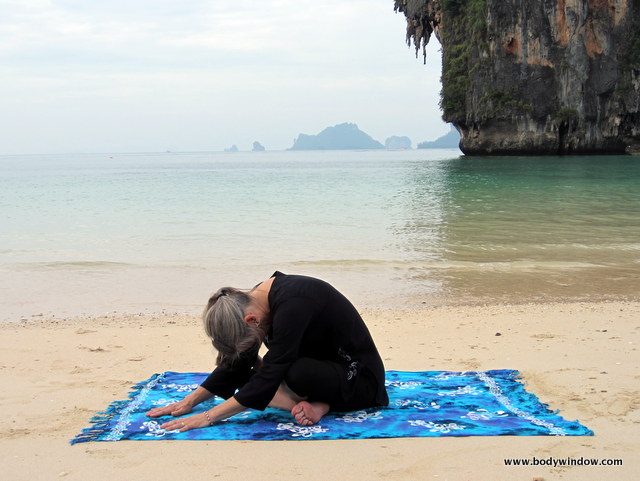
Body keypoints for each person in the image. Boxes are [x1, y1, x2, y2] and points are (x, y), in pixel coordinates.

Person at [146, 271, 389, 431]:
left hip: (359, 380)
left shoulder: (295, 303)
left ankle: (320, 404)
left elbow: (272, 372)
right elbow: (238, 362)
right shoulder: (254, 301)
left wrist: (209, 416)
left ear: (251, 320)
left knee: (293, 373)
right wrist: (190, 401)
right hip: (321, 368)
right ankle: (314, 403)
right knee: (246, 375)